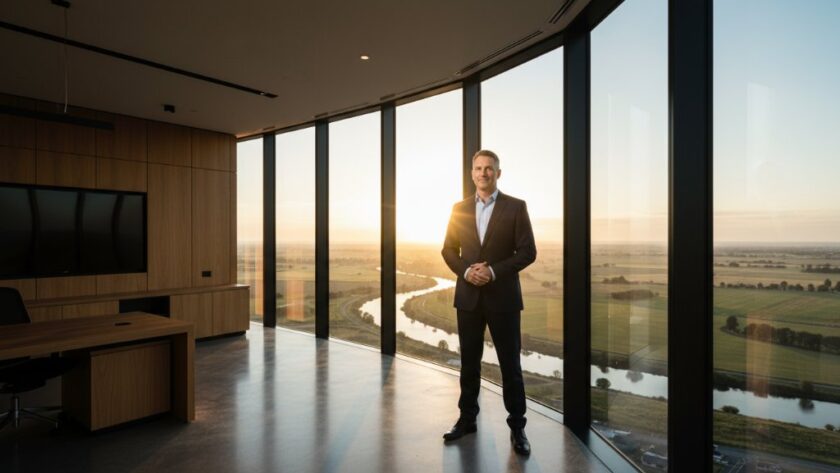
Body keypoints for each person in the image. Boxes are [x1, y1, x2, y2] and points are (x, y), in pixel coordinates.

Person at [440, 149, 537, 455]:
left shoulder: (516, 207)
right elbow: (448, 250)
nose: (483, 173)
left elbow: (528, 252)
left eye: (489, 168)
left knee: (511, 366)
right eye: (478, 168)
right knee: (469, 363)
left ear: (498, 173)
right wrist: (467, 271)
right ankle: (467, 419)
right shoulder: (458, 209)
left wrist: (492, 271)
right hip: (468, 298)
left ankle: (518, 428)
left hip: (503, 299)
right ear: (472, 173)